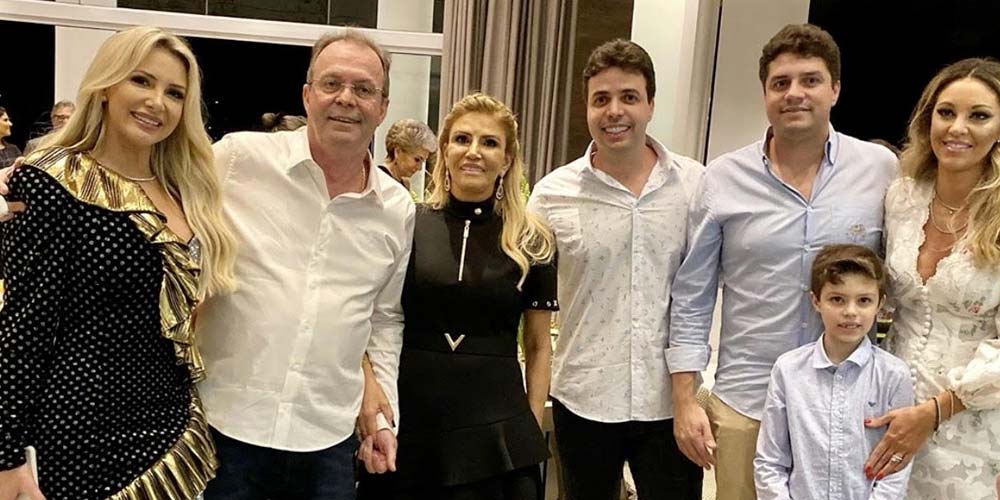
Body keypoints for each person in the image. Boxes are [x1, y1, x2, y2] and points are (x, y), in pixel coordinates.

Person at [0, 26, 236, 500]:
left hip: (173, 427)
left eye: (174, 93)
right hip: (80, 437)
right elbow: (23, 330)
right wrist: (5, 456)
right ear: (106, 86)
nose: (156, 102)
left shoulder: (184, 188)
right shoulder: (52, 182)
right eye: (141, 81)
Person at [668, 24, 897, 500]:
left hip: (852, 407)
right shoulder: (723, 178)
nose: (794, 93)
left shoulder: (879, 171)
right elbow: (692, 296)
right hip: (747, 402)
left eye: (810, 80)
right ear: (766, 94)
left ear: (835, 89)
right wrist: (685, 398)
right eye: (781, 83)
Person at [195, 30, 413, 500]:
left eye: (363, 89)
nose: (346, 99)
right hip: (223, 429)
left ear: (382, 107)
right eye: (332, 83)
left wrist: (381, 415)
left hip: (327, 441)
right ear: (307, 95)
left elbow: (383, 318)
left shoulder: (396, 209)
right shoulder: (237, 160)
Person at [528, 39, 705, 500]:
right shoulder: (551, 195)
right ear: (587, 108)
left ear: (650, 104)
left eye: (629, 97)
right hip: (584, 398)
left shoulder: (694, 186)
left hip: (669, 402)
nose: (614, 111)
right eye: (601, 99)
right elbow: (524, 292)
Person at [357, 92, 556, 500]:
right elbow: (367, 316)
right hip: (411, 422)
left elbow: (538, 346)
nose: (474, 152)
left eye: (490, 142)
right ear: (445, 151)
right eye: (462, 139)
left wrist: (532, 427)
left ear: (506, 160)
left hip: (499, 429)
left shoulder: (532, 239)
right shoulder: (406, 224)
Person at [867, 57, 1000, 500]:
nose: (957, 128)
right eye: (946, 112)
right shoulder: (902, 197)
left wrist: (935, 412)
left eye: (978, 115)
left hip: (971, 426)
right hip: (888, 411)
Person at [755, 244, 914, 500]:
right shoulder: (788, 370)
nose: (850, 312)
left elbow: (897, 467)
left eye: (863, 301)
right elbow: (770, 461)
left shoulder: (894, 374)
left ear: (880, 305)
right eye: (837, 299)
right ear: (816, 301)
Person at [379, 118, 436, 190]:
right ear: (398, 152)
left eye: (423, 161)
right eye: (417, 160)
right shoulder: (378, 180)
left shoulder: (405, 183)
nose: (420, 168)